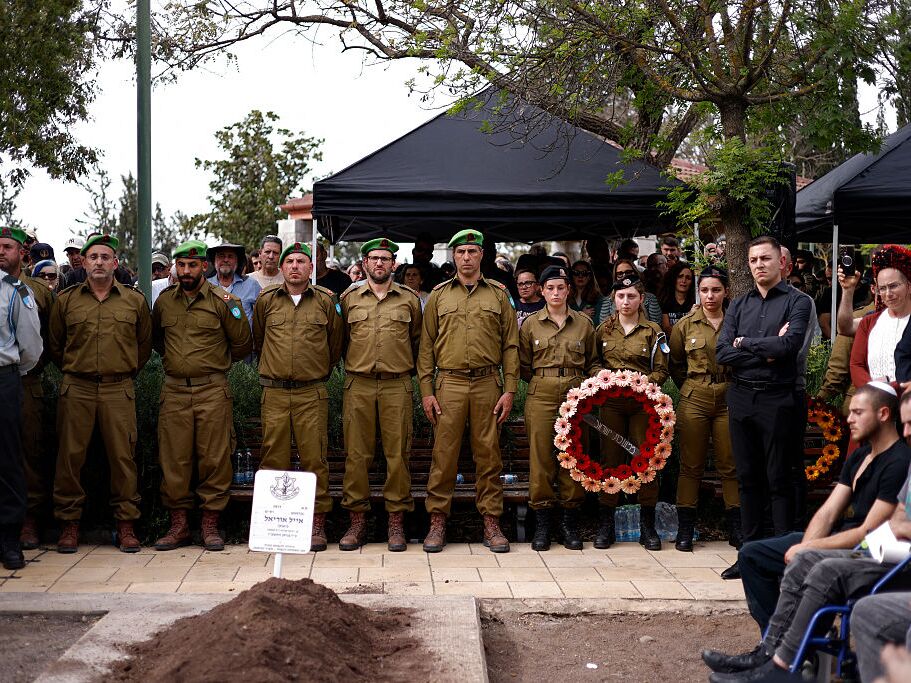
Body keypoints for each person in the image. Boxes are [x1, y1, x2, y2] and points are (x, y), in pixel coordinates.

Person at [703, 385, 911, 683]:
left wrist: (811, 550)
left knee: (817, 565)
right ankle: (772, 649)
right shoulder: (861, 455)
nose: (849, 418)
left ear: (882, 414)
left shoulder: (900, 461)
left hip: (877, 547)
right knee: (753, 554)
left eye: (857, 412)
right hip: (859, 538)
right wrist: (808, 544)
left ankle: (786, 659)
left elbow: (874, 530)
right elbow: (829, 512)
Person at [48, 234, 152, 554]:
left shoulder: (134, 301)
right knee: (70, 458)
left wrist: (122, 371)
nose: (98, 263)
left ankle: (126, 526)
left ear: (115, 263)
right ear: (83, 261)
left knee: (123, 458)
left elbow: (143, 346)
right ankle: (69, 525)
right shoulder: (66, 300)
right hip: (76, 386)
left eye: (105, 257)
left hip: (118, 387)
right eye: (93, 257)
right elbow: (55, 345)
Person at [418, 229, 519, 554]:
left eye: (472, 252)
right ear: (453, 256)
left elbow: (511, 346)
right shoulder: (439, 296)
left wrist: (510, 390)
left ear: (481, 256)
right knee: (444, 456)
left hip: (488, 383)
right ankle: (437, 521)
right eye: (460, 252)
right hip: (450, 383)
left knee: (488, 455)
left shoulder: (499, 295)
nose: (466, 257)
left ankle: (491, 522)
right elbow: (426, 349)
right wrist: (427, 391)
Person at [151, 240, 253, 552]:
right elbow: (157, 340)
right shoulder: (165, 302)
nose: (186, 271)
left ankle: (211, 524)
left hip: (212, 390)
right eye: (181, 265)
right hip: (175, 390)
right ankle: (179, 525)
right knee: (174, 459)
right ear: (175, 268)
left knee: (214, 458)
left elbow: (242, 344)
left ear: (203, 267)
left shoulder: (226, 302)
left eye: (192, 265)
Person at [715, 235, 812, 545]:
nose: (759, 264)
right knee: (747, 478)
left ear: (781, 263)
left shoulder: (797, 301)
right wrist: (764, 350)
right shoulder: (739, 304)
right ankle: (750, 553)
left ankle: (781, 555)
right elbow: (721, 352)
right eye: (754, 260)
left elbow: (788, 347)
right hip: (742, 396)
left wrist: (744, 343)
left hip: (778, 397)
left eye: (765, 258)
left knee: (779, 478)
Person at [252, 241, 343, 552]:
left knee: (314, 458)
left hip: (311, 392)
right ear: (281, 266)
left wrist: (317, 371)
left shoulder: (326, 302)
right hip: (274, 392)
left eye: (301, 262)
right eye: (289, 261)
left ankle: (317, 523)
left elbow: (335, 345)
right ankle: (275, 524)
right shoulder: (266, 300)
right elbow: (258, 337)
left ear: (311, 268)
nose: (294, 266)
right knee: (273, 459)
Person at [338, 238, 421, 552]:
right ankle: (356, 523)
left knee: (398, 455)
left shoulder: (409, 300)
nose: (380, 264)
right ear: (364, 263)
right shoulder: (349, 298)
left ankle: (396, 523)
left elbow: (417, 343)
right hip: (358, 384)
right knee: (356, 455)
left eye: (385, 259)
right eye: (374, 258)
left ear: (394, 264)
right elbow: (339, 341)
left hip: (396, 384)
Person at [519, 265, 597, 551]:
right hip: (540, 393)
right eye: (550, 288)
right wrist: (544, 382)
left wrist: (587, 386)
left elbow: (593, 361)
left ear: (568, 290)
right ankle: (542, 524)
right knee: (541, 459)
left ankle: (569, 522)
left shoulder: (583, 324)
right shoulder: (530, 324)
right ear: (541, 290)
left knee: (573, 456)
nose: (555, 293)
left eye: (560, 288)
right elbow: (524, 366)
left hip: (575, 394)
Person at [593, 273, 669, 550]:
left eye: (631, 296)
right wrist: (604, 378)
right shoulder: (602, 330)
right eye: (621, 296)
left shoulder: (653, 331)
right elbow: (592, 363)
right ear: (613, 299)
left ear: (641, 299)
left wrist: (646, 384)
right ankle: (606, 524)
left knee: (645, 458)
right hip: (611, 404)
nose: (626, 301)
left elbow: (662, 369)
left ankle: (647, 525)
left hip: (642, 405)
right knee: (609, 459)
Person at [669, 266, 739, 552]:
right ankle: (685, 529)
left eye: (716, 290)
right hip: (694, 396)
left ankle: (738, 528)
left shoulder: (737, 322)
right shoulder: (685, 325)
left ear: (726, 292)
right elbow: (675, 364)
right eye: (705, 290)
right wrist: (691, 386)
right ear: (699, 292)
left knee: (730, 464)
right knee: (691, 465)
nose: (710, 296)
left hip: (729, 396)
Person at [0, 227, 44, 566]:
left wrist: (12, 371)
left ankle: (10, 541)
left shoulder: (16, 292)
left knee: (8, 461)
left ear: (20, 254)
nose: (1, 251)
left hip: (4, 379)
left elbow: (31, 347)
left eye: (7, 246)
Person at [842, 246, 911, 385]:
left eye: (893, 286)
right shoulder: (869, 322)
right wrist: (848, 290)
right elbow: (856, 365)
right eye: (882, 288)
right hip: (875, 402)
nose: (887, 294)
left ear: (909, 286)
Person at [206, 241, 261, 326]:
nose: (226, 260)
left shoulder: (251, 285)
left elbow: (264, 316)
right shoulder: (205, 285)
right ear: (214, 261)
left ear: (237, 261)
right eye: (221, 256)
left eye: (230, 256)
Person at [595, 259, 662, 325]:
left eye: (628, 272)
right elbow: (604, 327)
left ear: (636, 273)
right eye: (620, 274)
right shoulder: (608, 301)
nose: (625, 276)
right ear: (615, 277)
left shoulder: (650, 298)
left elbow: (656, 326)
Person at [658, 261, 695, 336]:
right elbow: (667, 329)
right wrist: (688, 316)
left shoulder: (696, 301)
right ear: (673, 278)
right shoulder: (665, 300)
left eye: (688, 278)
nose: (684, 281)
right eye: (680, 276)